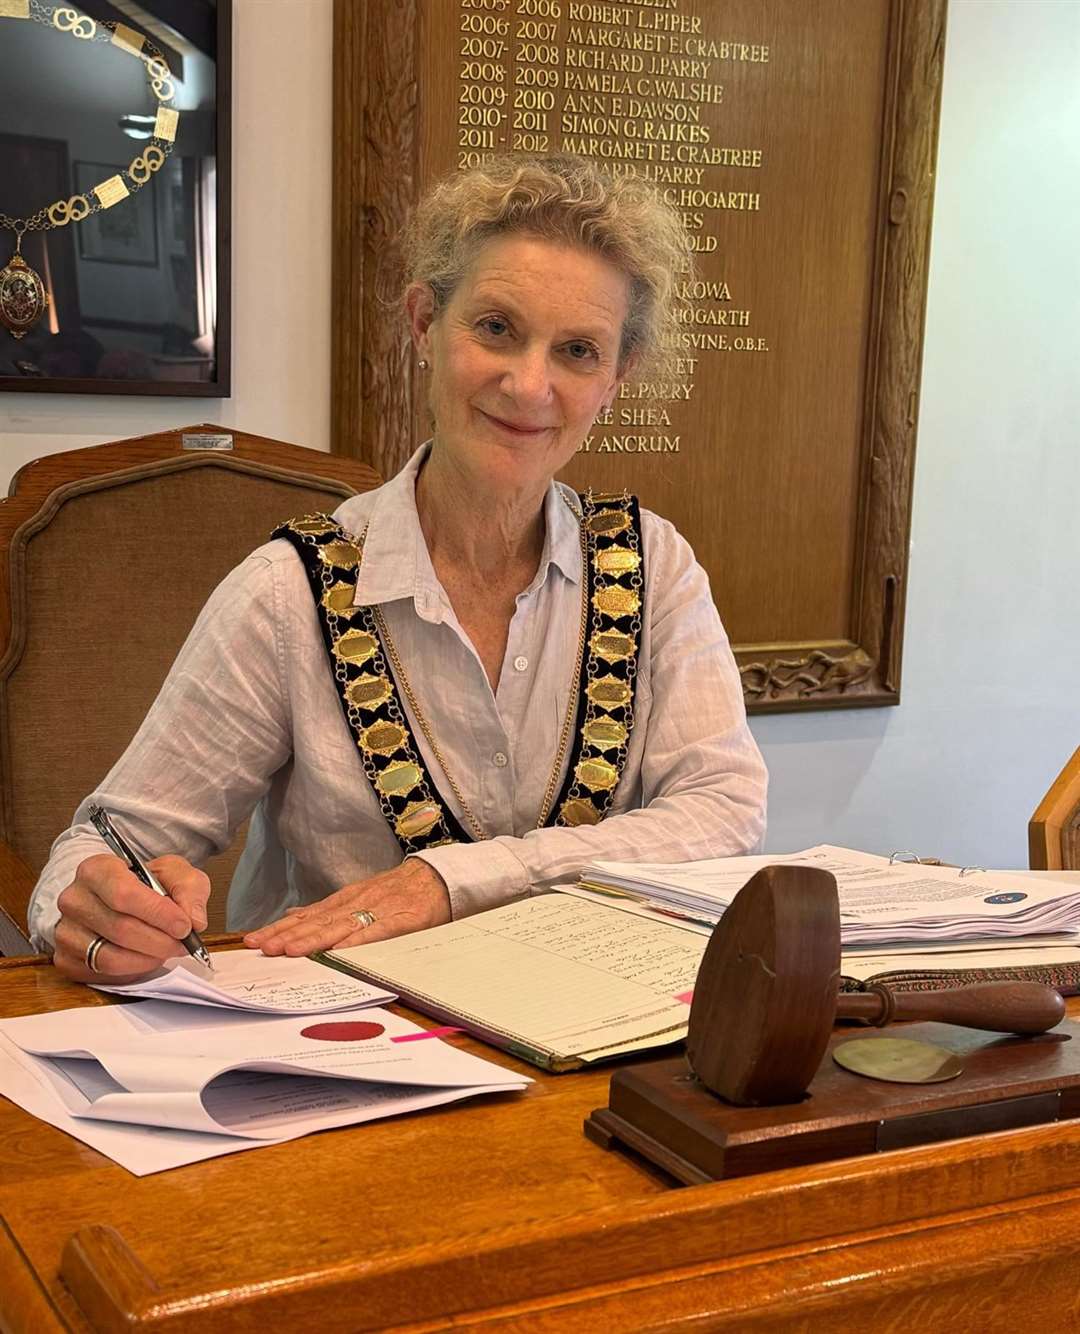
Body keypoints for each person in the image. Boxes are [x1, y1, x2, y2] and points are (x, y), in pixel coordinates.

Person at [28, 154, 768, 983]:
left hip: (596, 1036)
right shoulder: (289, 593)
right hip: (349, 1045)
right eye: (495, 328)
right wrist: (94, 907)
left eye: (578, 351)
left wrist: (448, 881)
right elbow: (104, 844)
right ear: (423, 324)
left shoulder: (654, 566)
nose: (529, 385)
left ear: (617, 378)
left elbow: (725, 809)